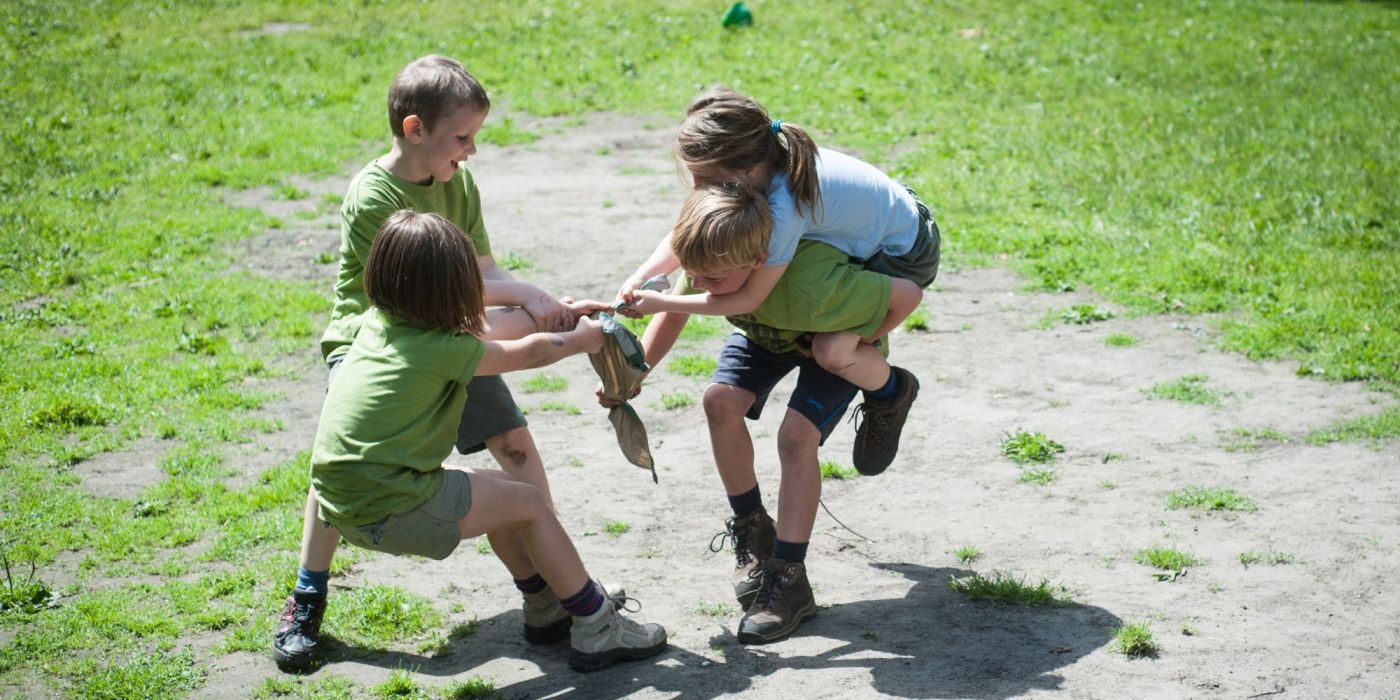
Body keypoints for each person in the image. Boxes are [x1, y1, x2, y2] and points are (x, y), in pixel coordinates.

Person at [274, 55, 608, 669]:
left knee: (513, 445)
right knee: (343, 460)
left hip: (450, 329)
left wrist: (539, 301)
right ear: (413, 129)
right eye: (462, 137)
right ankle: (307, 595)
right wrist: (541, 326)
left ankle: (547, 596)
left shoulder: (458, 182)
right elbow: (425, 299)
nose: (473, 150)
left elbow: (481, 276)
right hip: (378, 340)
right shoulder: (374, 195)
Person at [308, 210, 666, 672]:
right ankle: (596, 624)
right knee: (531, 504)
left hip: (342, 505)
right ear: (448, 291)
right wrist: (585, 340)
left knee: (505, 497)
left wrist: (559, 318)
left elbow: (491, 327)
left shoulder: (383, 323)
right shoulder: (442, 349)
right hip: (395, 506)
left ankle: (544, 604)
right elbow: (529, 353)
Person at [609, 183, 923, 644]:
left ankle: (789, 577)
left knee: (795, 437)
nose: (698, 286)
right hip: (765, 335)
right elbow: (675, 313)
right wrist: (634, 375)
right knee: (719, 401)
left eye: (712, 281)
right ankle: (754, 529)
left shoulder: (808, 284)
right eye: (692, 274)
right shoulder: (713, 261)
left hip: (829, 337)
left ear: (759, 264)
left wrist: (861, 342)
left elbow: (908, 293)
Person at [617, 86, 941, 476]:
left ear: (744, 170)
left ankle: (890, 393)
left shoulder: (783, 207)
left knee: (833, 349)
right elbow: (688, 238)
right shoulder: (759, 175)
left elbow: (748, 299)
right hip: (875, 229)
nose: (697, 188)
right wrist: (645, 276)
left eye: (703, 178)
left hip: (904, 253)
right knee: (723, 253)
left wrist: (663, 302)